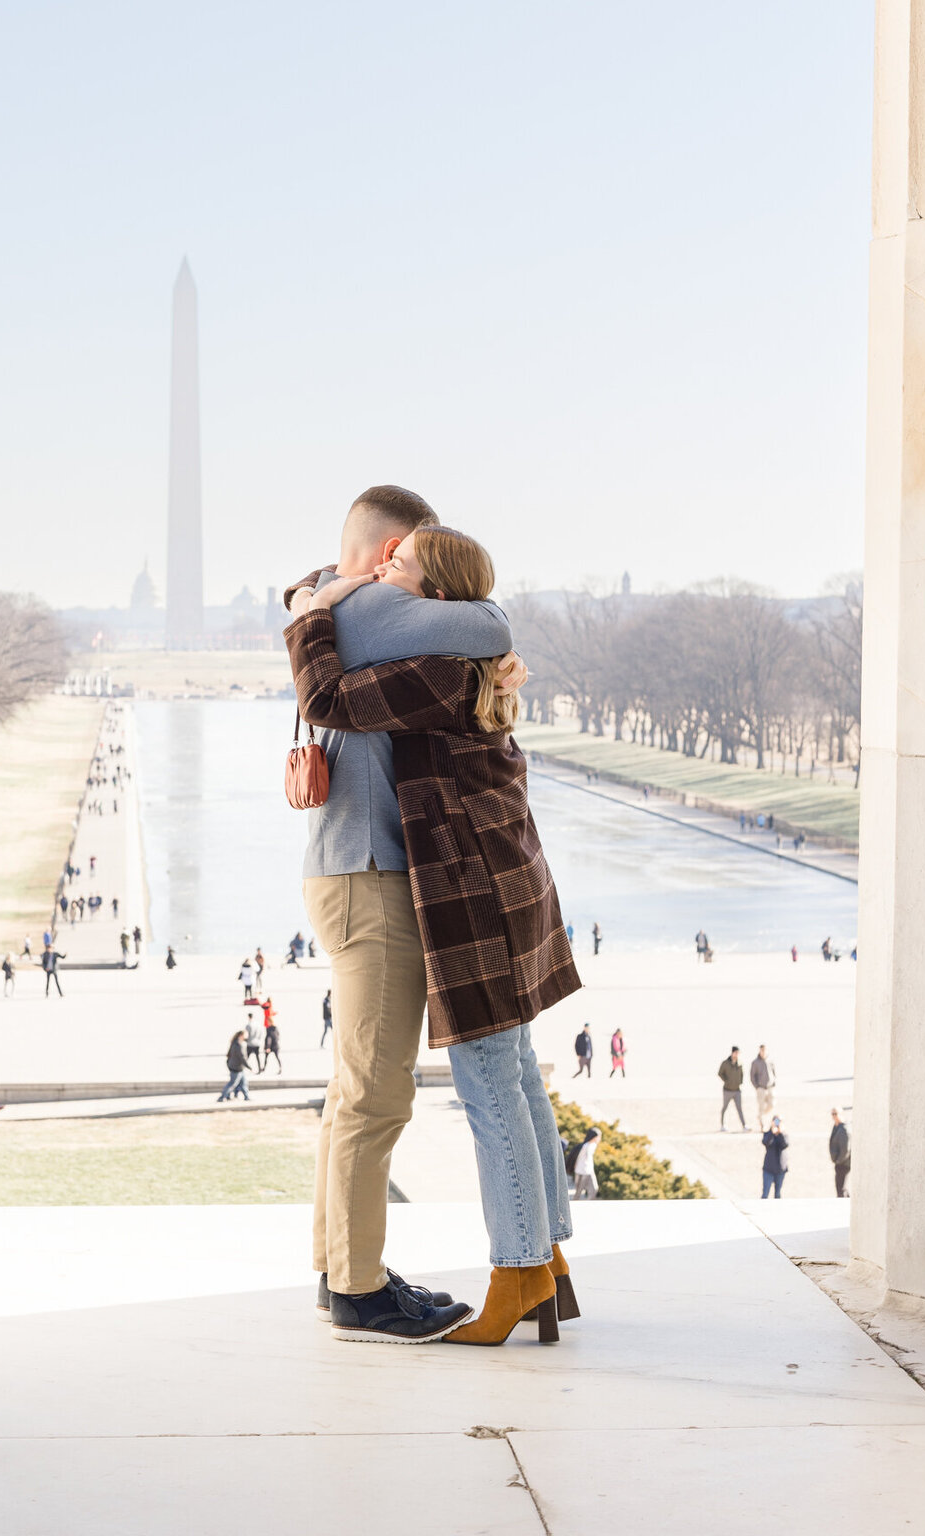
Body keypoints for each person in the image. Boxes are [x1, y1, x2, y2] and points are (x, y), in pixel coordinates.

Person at [286, 513, 581, 1347]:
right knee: (380, 1094)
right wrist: (319, 594)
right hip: (385, 880)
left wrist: (315, 597)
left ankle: (357, 1274)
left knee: (378, 1092)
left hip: (403, 881)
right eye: (389, 553)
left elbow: (329, 686)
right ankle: (358, 1284)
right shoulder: (399, 629)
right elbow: (482, 620)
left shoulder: (408, 641)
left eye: (403, 562)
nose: (389, 570)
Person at [217, 1032, 251, 1102]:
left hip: (238, 1068)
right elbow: (242, 1057)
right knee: (232, 1084)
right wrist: (249, 1067)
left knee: (243, 1083)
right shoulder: (238, 1045)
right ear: (241, 1035)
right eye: (245, 1035)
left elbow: (229, 1055)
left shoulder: (235, 1043)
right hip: (237, 1068)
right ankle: (222, 1097)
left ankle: (246, 1097)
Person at [718, 1046, 746, 1129]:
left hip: (737, 1090)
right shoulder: (725, 1063)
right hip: (727, 1090)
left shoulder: (740, 1063)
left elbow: (742, 1074)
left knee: (739, 1108)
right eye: (736, 1053)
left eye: (738, 1053)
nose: (737, 1055)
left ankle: (744, 1125)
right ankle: (723, 1125)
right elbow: (720, 1073)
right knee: (725, 1108)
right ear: (732, 1052)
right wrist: (726, 1080)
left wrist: (740, 1082)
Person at [571, 1126, 601, 1200]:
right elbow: (577, 1158)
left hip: (589, 1171)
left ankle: (587, 1205)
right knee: (578, 1192)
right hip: (581, 1171)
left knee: (594, 1189)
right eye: (598, 1136)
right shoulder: (585, 1146)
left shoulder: (593, 1145)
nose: (599, 1138)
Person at [750, 1044, 776, 1129]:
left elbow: (773, 1072)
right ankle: (762, 1124)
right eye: (762, 1050)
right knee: (761, 1106)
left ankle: (761, 1116)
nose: (763, 1052)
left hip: (770, 1087)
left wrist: (774, 1081)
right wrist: (756, 1086)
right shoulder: (755, 1062)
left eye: (764, 1050)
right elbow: (752, 1076)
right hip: (761, 1088)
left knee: (772, 1105)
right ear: (759, 1051)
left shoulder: (770, 1061)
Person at [761, 1116, 788, 1197]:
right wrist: (772, 1132)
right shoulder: (768, 1134)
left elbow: (784, 1145)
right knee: (765, 1194)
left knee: (777, 1194)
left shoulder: (784, 1135)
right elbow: (766, 1142)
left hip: (780, 1169)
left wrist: (780, 1133)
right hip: (768, 1168)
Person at [830, 1108, 851, 1197]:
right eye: (832, 1114)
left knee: (841, 1188)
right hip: (839, 1163)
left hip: (843, 1163)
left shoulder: (843, 1129)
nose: (834, 1116)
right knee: (839, 1187)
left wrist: (839, 1160)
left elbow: (845, 1149)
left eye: (836, 1113)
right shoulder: (836, 1127)